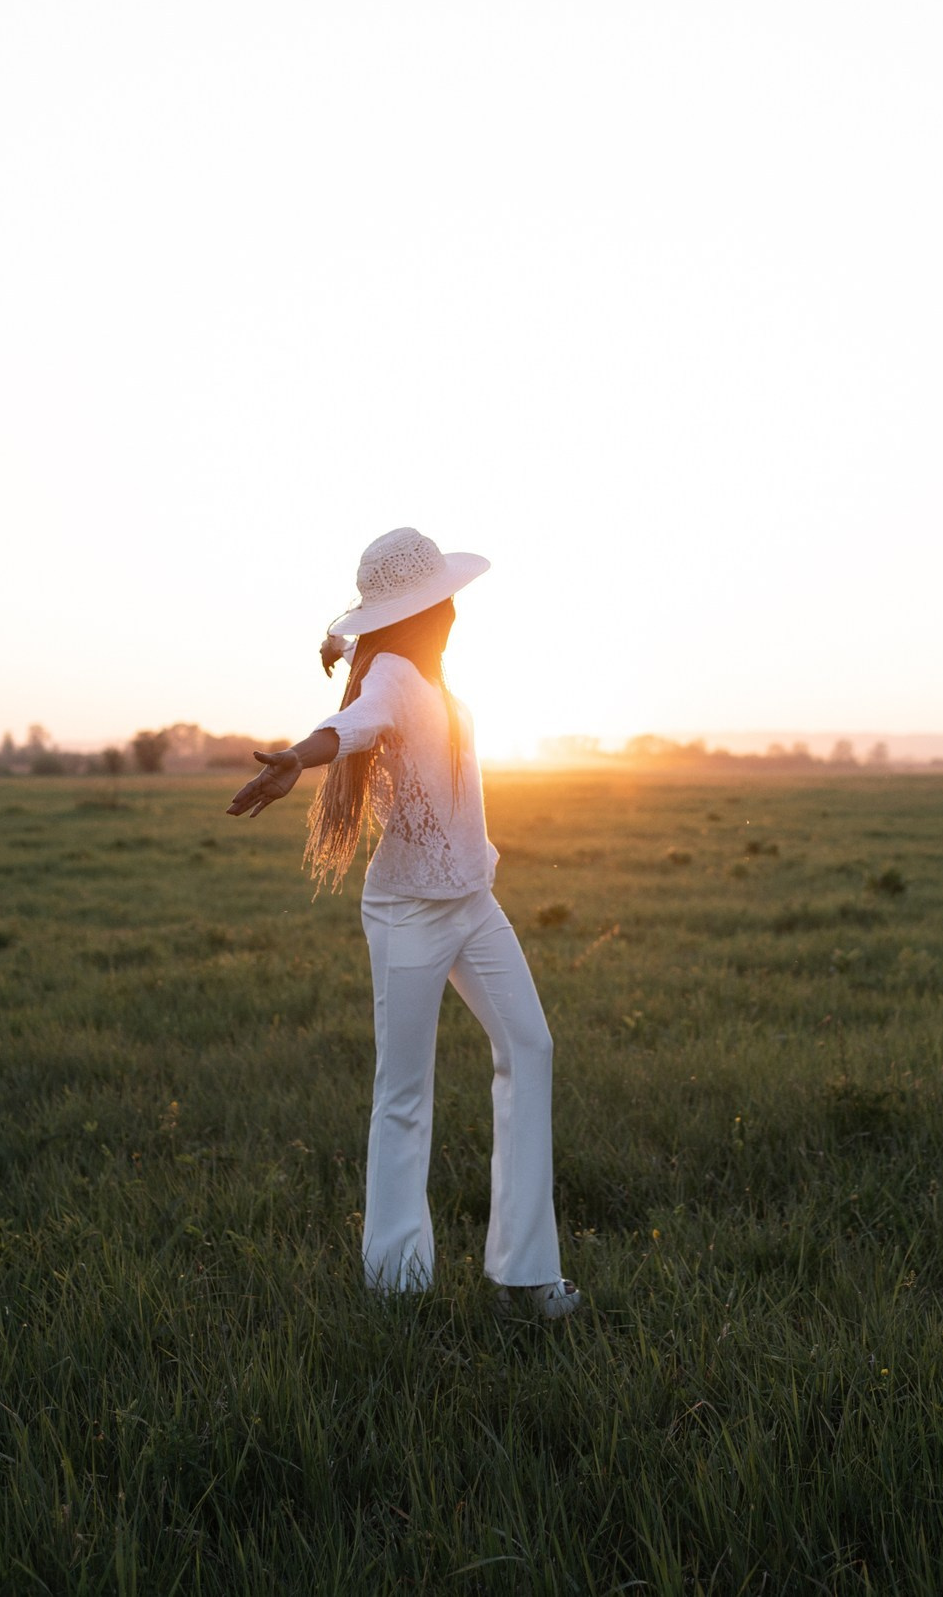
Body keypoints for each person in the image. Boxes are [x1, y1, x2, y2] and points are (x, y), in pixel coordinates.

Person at [225, 528, 584, 1319]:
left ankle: (525, 1274)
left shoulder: (430, 673)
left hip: (473, 902)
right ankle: (396, 1285)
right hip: (409, 913)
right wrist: (296, 754)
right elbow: (349, 724)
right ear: (418, 610)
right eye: (439, 598)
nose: (453, 608)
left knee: (531, 1045)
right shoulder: (389, 673)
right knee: (404, 1093)